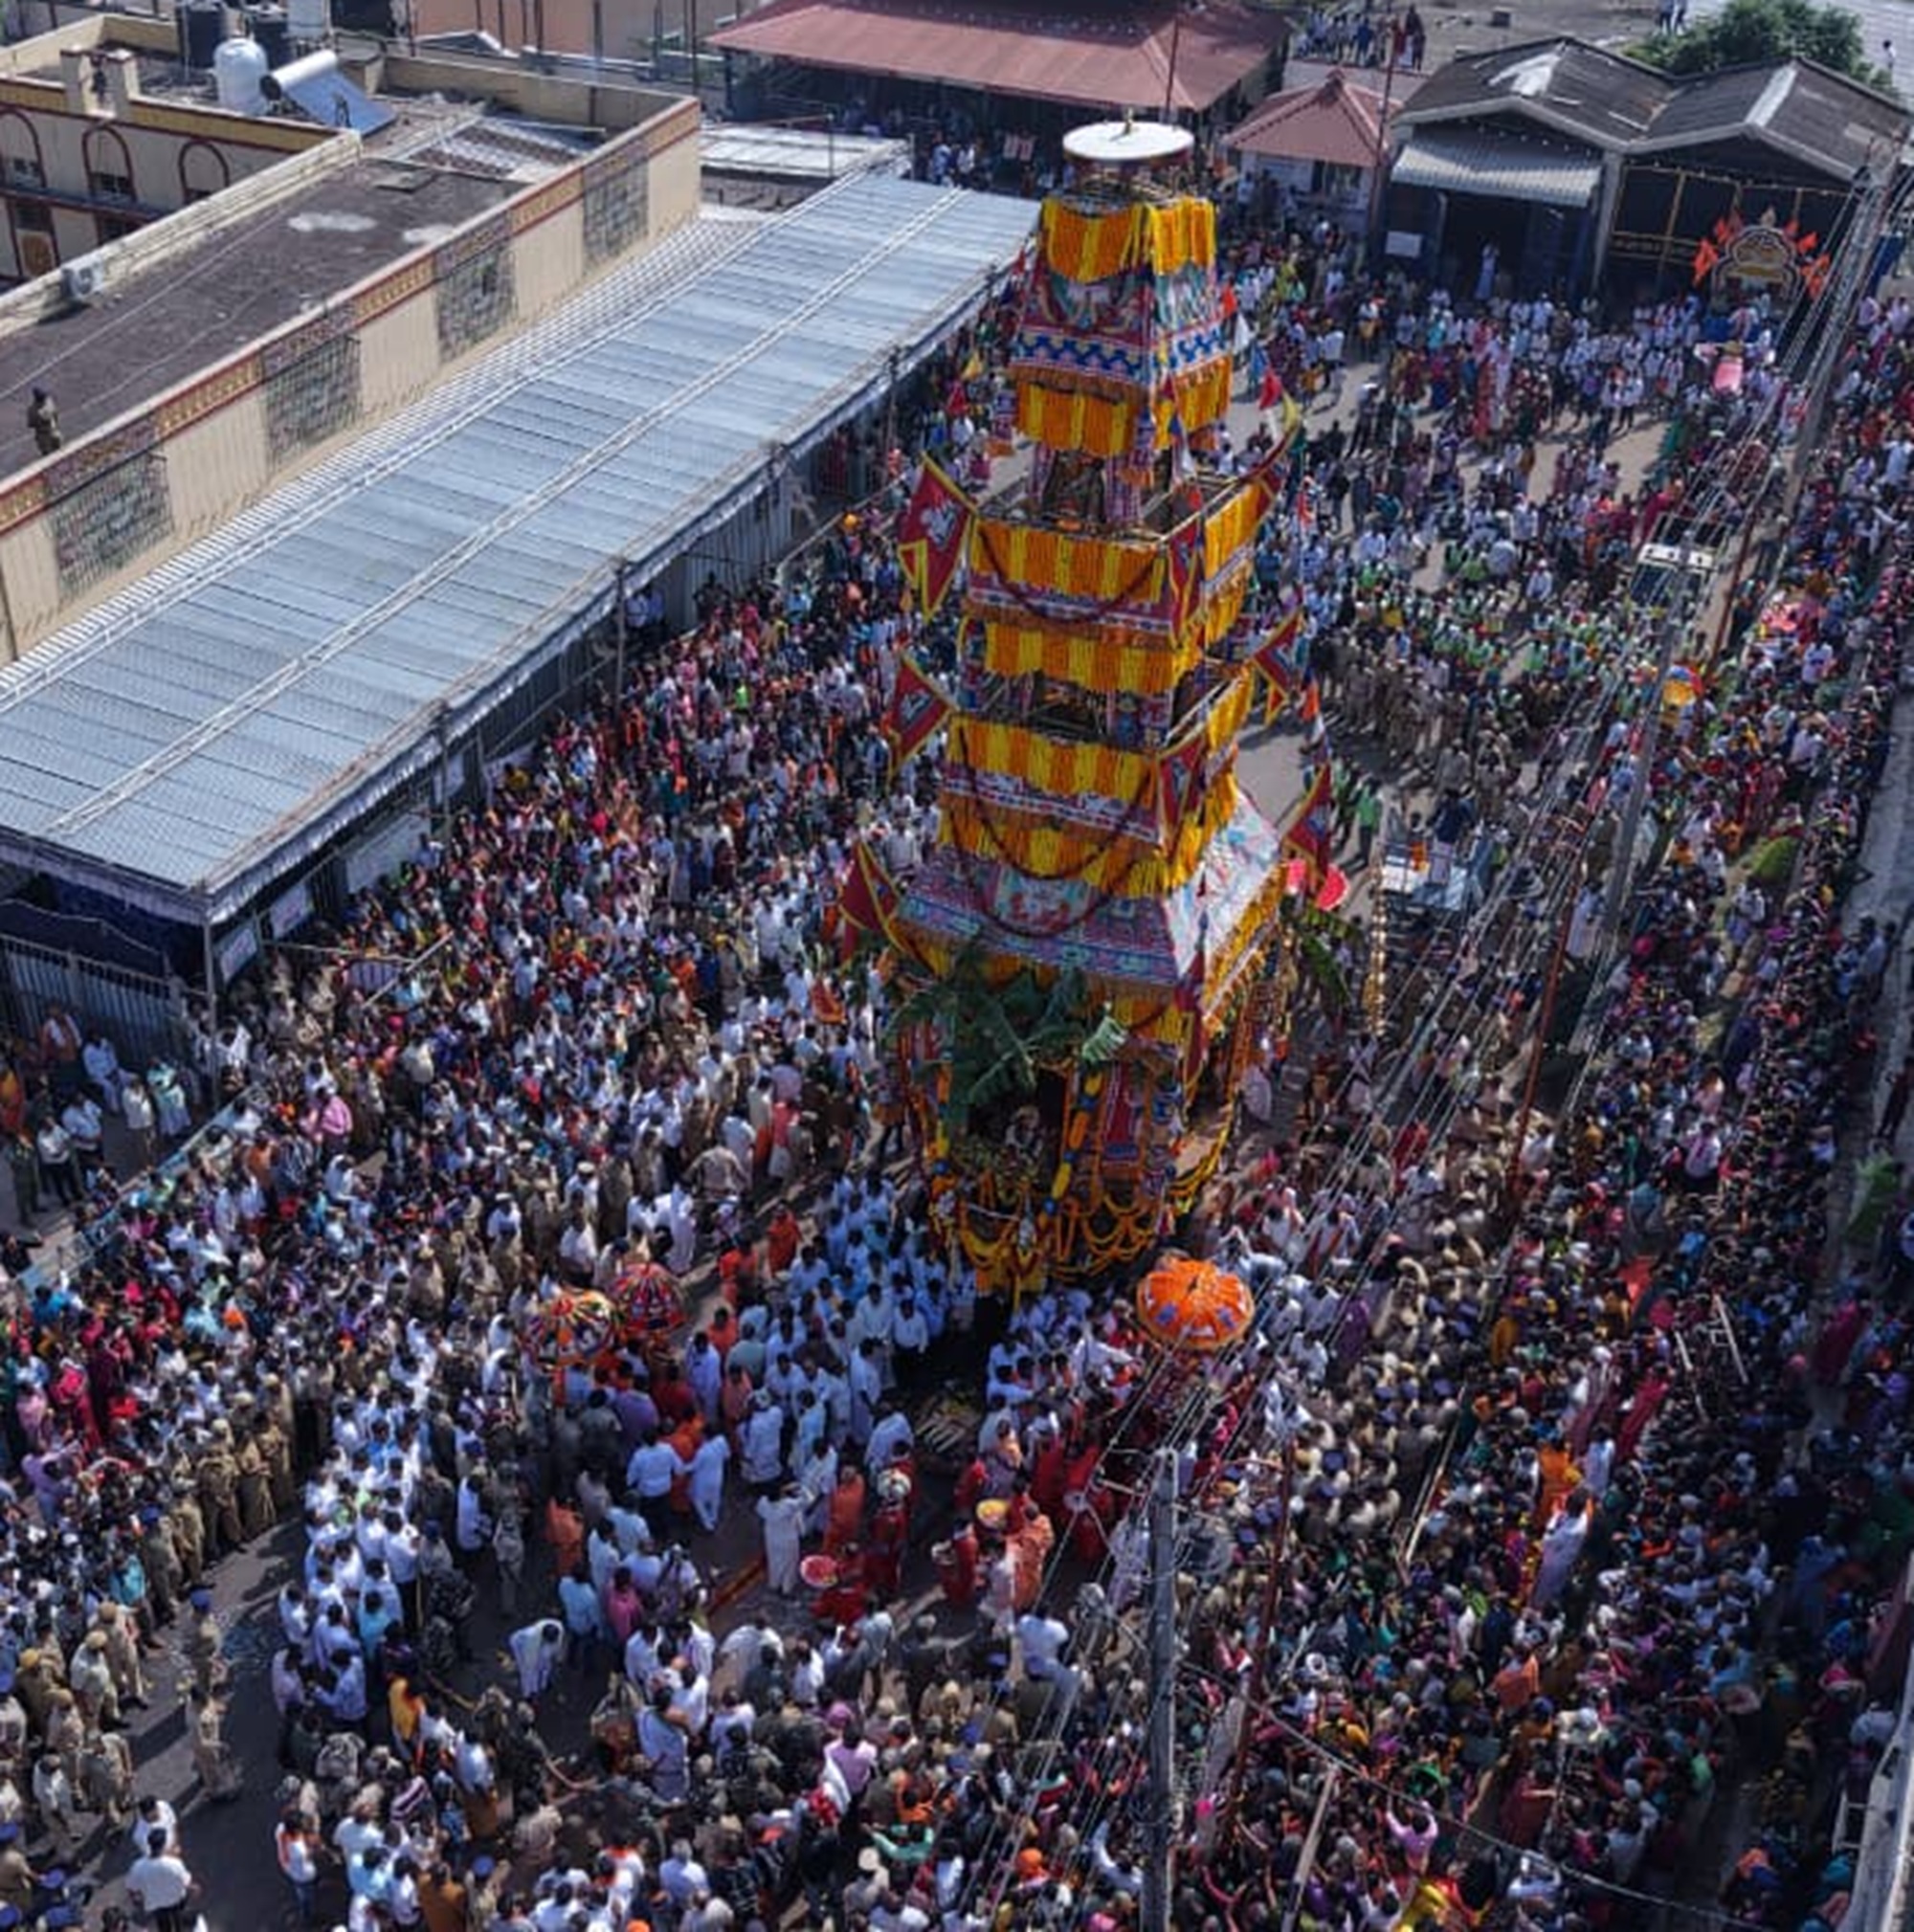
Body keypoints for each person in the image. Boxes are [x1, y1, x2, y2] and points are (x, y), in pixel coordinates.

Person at [126, 1829, 196, 1932]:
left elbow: (131, 1888)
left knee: (163, 1924)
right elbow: (186, 1882)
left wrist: (137, 1901)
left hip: (155, 1904)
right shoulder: (174, 1863)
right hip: (175, 1900)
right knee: (178, 1920)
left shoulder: (138, 1867)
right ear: (163, 1844)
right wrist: (195, 1888)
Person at [26, 388, 60, 457]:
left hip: (46, 435)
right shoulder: (47, 403)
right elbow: (55, 415)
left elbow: (31, 424)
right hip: (50, 433)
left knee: (51, 456)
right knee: (55, 454)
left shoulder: (32, 409)